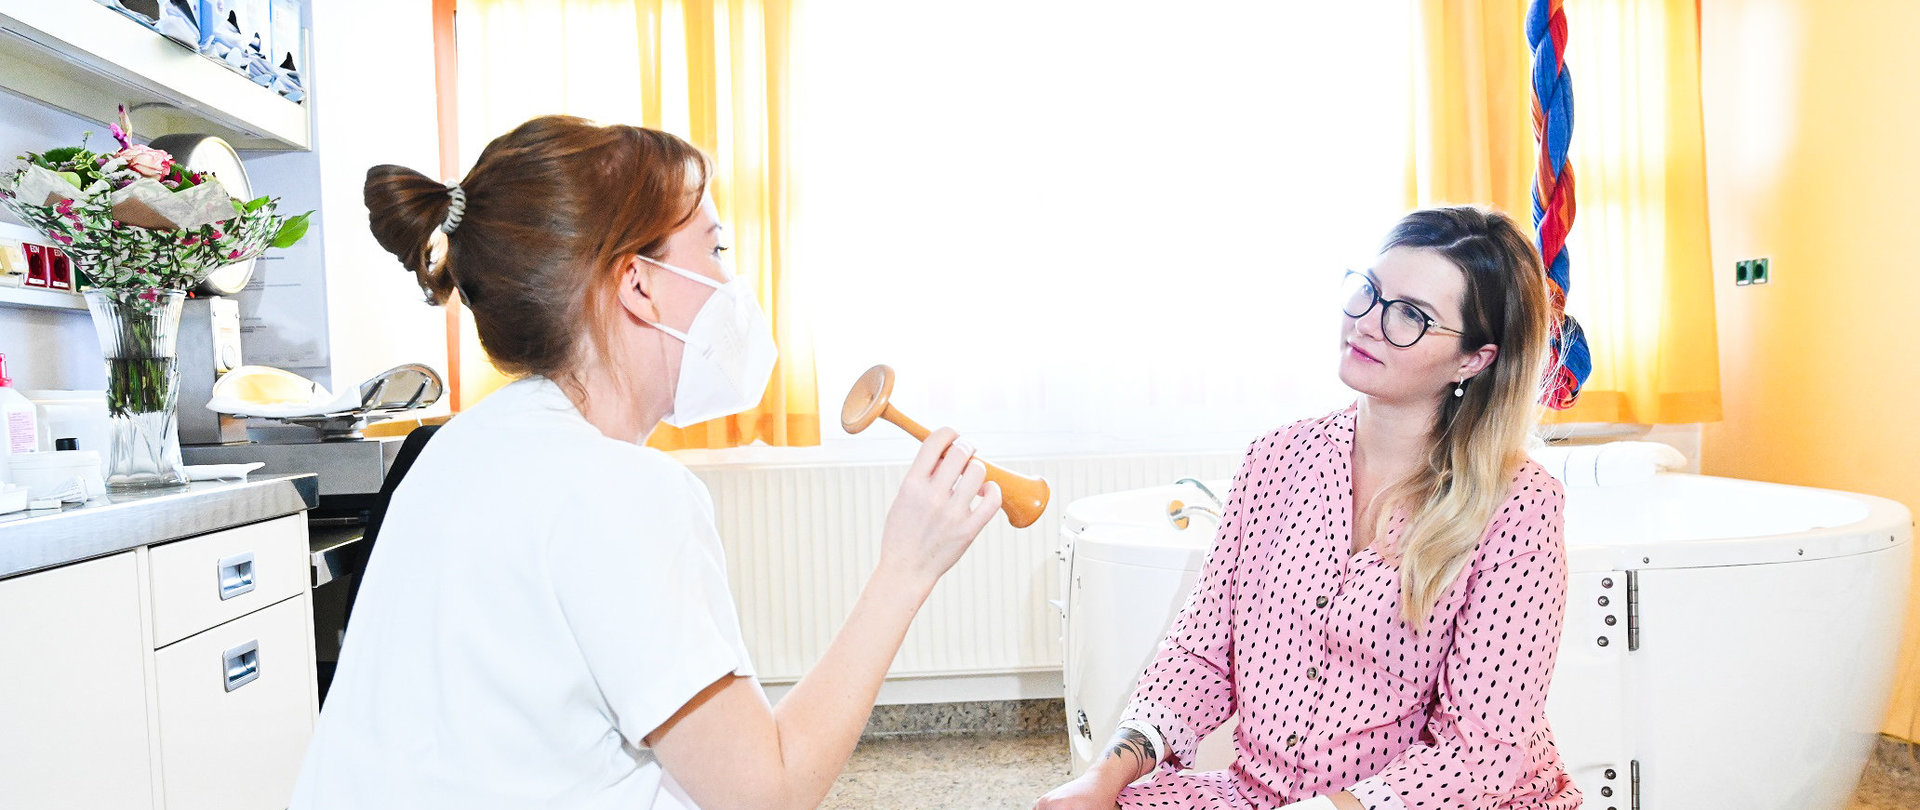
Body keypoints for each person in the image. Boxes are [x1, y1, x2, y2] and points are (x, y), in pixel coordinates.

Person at [288, 115, 1002, 809]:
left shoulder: (459, 448)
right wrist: (907, 567)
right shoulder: (617, 490)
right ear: (638, 283)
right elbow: (768, 792)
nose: (731, 286)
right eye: (716, 252)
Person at [1037, 206, 1582, 810]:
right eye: (1370, 292)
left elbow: (1480, 754)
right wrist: (1104, 777)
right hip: (1263, 796)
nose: (1370, 323)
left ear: (1473, 359)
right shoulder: (1278, 458)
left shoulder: (1519, 504)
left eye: (1411, 315)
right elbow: (1198, 656)